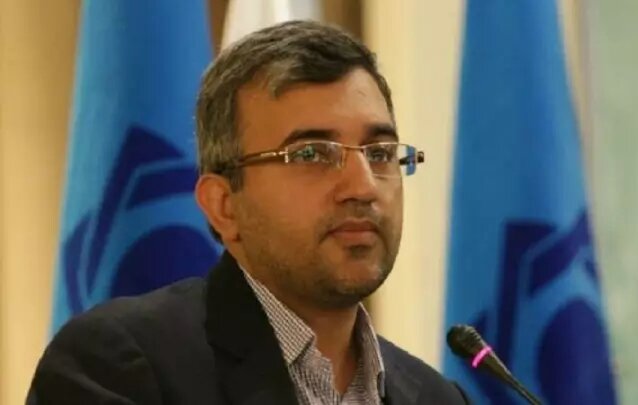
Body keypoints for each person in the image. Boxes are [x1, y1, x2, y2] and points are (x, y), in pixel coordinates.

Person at [28, 20, 469, 405]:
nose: (363, 187)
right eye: (312, 154)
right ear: (224, 205)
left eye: (380, 152)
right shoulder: (119, 365)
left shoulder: (437, 397)